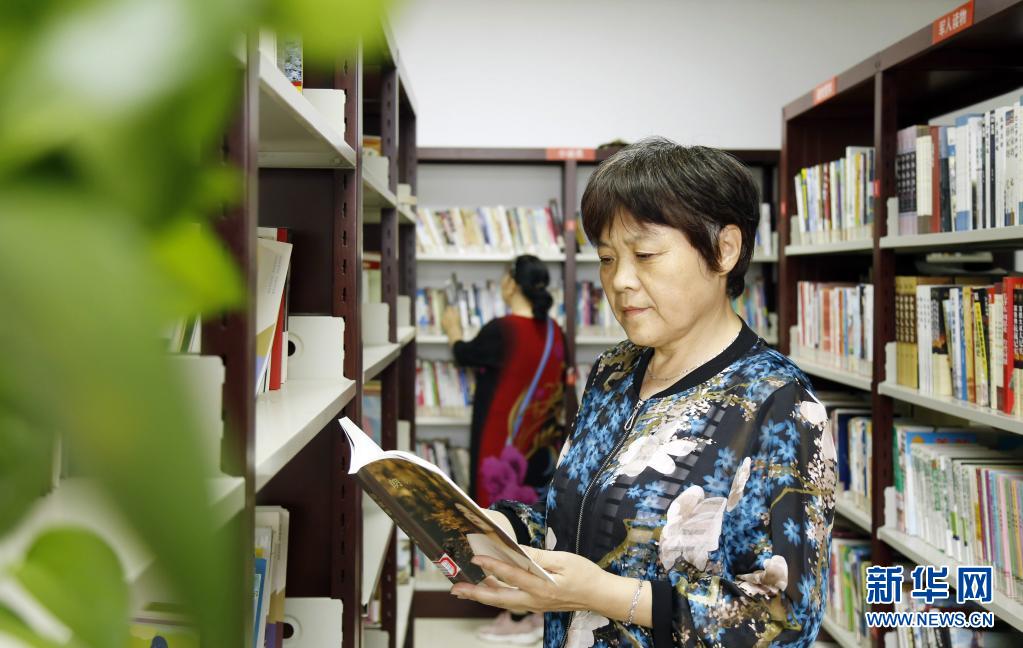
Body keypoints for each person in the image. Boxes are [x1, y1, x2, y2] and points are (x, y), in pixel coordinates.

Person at [449, 138, 837, 648]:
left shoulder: (780, 405)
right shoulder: (613, 371)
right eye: (607, 258)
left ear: (724, 249)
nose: (619, 281)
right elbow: (580, 509)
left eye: (646, 255)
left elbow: (785, 617)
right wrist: (502, 527)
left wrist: (606, 594)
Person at [441, 254, 569, 644]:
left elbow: (463, 354)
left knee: (498, 526)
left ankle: (518, 615)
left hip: (502, 449)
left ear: (512, 283)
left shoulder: (502, 330)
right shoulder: (555, 332)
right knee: (531, 526)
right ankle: (531, 610)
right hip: (540, 450)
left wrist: (452, 330)